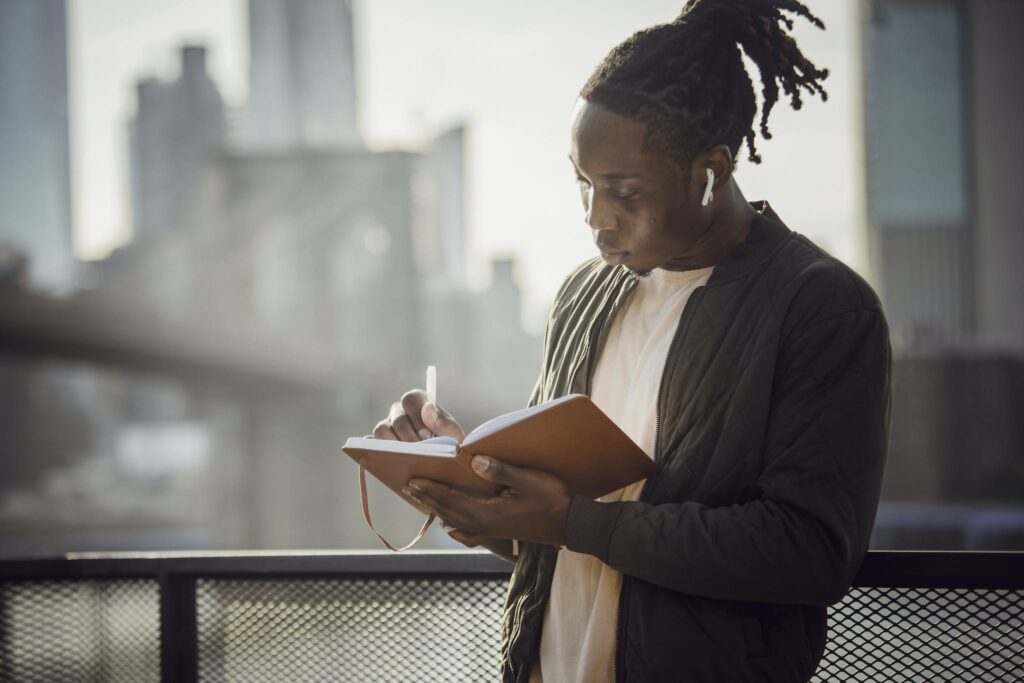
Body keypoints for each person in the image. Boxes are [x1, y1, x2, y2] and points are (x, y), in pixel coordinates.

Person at [371, 0, 891, 680]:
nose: (595, 218)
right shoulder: (583, 294)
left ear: (711, 171)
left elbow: (810, 550)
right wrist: (465, 488)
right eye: (583, 183)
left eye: (623, 191)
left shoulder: (821, 305)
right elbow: (555, 529)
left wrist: (572, 522)